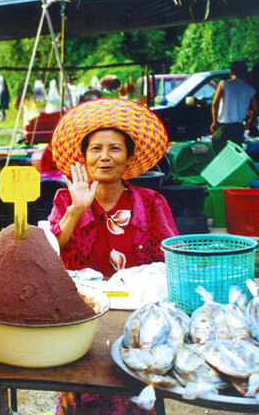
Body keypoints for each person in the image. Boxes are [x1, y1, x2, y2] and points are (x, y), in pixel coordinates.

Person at [48, 98, 178, 414]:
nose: (105, 156)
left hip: (138, 325)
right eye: (96, 149)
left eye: (115, 148)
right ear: (84, 158)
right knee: (82, 394)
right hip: (83, 322)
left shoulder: (151, 202)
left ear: (129, 158)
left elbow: (174, 262)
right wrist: (77, 209)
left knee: (138, 398)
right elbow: (50, 253)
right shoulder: (67, 198)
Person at [210, 61, 259, 154]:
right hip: (238, 128)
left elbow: (214, 104)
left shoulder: (224, 84)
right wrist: (249, 121)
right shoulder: (249, 89)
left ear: (231, 72)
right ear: (244, 73)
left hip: (224, 126)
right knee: (234, 154)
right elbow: (256, 109)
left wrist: (214, 121)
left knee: (217, 152)